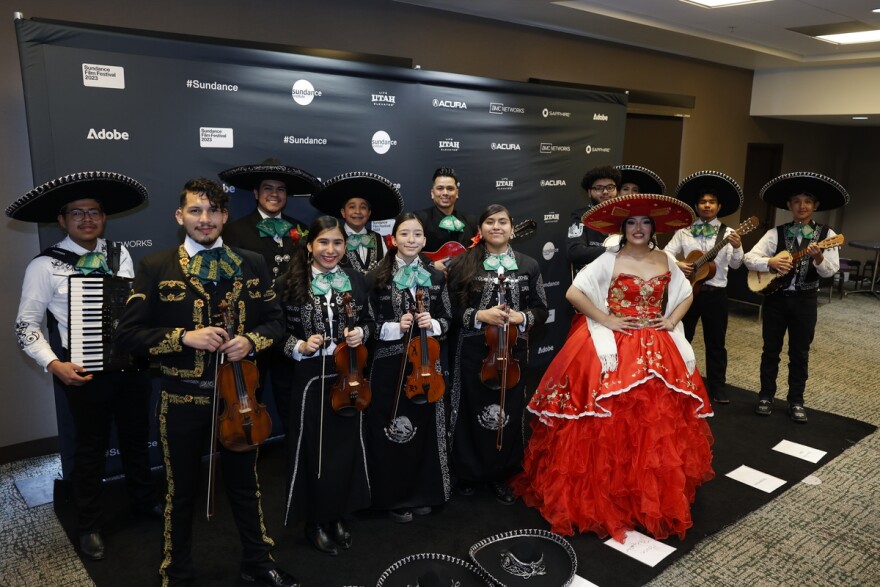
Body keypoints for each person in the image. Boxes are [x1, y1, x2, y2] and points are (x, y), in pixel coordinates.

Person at [115, 178, 298, 587]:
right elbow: (127, 336)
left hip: (241, 398)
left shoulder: (251, 261)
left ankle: (257, 562)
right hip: (181, 399)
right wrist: (183, 337)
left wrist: (251, 340)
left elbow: (277, 323)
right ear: (179, 216)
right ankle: (176, 572)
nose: (205, 218)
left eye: (214, 210)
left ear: (225, 216)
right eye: (196, 210)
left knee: (246, 487)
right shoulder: (155, 266)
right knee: (180, 493)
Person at [511, 193, 714, 543]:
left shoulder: (666, 258)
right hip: (614, 346)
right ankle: (603, 497)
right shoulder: (608, 259)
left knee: (655, 427)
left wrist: (671, 319)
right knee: (603, 425)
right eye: (632, 223)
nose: (638, 228)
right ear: (623, 228)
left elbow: (686, 294)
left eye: (645, 223)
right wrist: (606, 318)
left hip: (657, 347)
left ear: (654, 228)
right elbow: (575, 293)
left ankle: (644, 499)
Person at [8, 171, 158, 562]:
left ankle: (144, 502)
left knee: (136, 439)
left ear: (104, 218)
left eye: (94, 212)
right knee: (89, 450)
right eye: (78, 213)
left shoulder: (119, 254)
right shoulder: (44, 266)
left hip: (130, 366)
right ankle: (89, 524)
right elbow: (25, 325)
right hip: (84, 373)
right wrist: (54, 364)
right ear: (62, 220)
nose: (87, 219)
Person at [277, 216, 374, 556]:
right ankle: (315, 520)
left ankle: (337, 514)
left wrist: (362, 333)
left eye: (337, 243)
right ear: (309, 245)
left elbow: (369, 321)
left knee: (344, 450)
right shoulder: (290, 282)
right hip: (310, 381)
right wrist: (299, 347)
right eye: (323, 242)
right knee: (313, 452)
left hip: (349, 376)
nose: (330, 250)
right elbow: (275, 332)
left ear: (345, 246)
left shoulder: (356, 281)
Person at [446, 204, 548, 505]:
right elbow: (451, 310)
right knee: (468, 408)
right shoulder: (464, 263)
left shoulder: (528, 265)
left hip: (513, 351)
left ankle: (501, 473)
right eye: (489, 222)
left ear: (511, 227)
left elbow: (542, 308)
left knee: (509, 410)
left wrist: (523, 317)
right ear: (480, 230)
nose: (496, 227)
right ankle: (466, 472)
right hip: (472, 350)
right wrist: (480, 315)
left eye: (502, 221)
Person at [218, 159, 320, 435]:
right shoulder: (234, 231)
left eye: (280, 189)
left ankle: (296, 450)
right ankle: (251, 450)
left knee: (294, 396)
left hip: (294, 331)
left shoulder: (301, 228)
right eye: (267, 188)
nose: (274, 194)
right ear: (255, 193)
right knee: (251, 394)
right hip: (255, 329)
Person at [365, 212, 452, 524]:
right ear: (393, 239)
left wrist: (436, 323)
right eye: (405, 234)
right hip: (389, 364)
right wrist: (393, 326)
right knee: (391, 427)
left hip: (427, 365)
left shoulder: (437, 276)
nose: (411, 240)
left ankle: (424, 492)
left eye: (417, 235)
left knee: (425, 426)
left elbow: (448, 319)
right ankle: (392, 496)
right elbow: (367, 325)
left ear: (425, 241)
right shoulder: (375, 276)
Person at [743, 172, 847, 424]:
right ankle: (766, 396)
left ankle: (796, 400)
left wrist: (818, 257)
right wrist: (769, 261)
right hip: (776, 300)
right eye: (797, 201)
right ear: (789, 206)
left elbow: (830, 270)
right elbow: (748, 258)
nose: (802, 206)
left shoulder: (826, 234)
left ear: (816, 206)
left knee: (800, 352)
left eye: (807, 201)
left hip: (806, 301)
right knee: (771, 349)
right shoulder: (775, 233)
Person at [665, 171, 744, 404]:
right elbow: (666, 253)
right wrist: (679, 264)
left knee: (716, 342)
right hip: (688, 293)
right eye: (703, 202)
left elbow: (737, 264)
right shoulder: (684, 230)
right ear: (697, 206)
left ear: (719, 207)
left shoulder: (729, 234)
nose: (707, 206)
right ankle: (679, 381)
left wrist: (738, 247)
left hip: (716, 294)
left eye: (711, 202)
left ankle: (718, 387)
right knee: (682, 338)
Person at [310, 172, 403, 274]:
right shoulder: (334, 237)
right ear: (343, 212)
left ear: (368, 213)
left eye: (363, 207)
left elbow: (386, 271)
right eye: (352, 207)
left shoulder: (378, 238)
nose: (357, 211)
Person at [416, 167, 479, 272]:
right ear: (432, 193)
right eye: (440, 188)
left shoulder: (471, 221)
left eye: (450, 188)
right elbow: (406, 248)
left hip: (462, 283)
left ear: (457, 193)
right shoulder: (418, 219)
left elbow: (479, 253)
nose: (445, 193)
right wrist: (431, 264)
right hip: (428, 281)